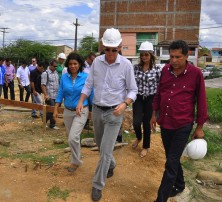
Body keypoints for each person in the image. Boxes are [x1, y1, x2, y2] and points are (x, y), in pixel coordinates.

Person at [76, 28, 138, 201]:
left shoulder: (126, 65)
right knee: (101, 146)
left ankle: (97, 185)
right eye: (107, 49)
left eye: (114, 49)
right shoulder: (96, 62)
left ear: (120, 47)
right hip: (97, 110)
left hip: (114, 114)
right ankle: (111, 164)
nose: (110, 53)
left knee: (104, 151)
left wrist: (124, 103)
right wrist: (81, 101)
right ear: (102, 46)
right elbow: (89, 84)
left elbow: (133, 90)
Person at [150, 40, 208, 202]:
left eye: (178, 57)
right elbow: (159, 93)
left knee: (171, 162)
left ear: (186, 55)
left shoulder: (195, 74)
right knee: (171, 157)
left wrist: (200, 127)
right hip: (166, 122)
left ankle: (161, 199)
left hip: (183, 124)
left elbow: (202, 101)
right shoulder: (165, 71)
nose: (173, 61)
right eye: (172, 57)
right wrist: (154, 114)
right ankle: (180, 184)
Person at [53, 52, 90, 172]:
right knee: (72, 137)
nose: (72, 66)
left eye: (75, 63)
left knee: (72, 138)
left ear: (79, 64)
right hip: (67, 111)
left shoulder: (86, 77)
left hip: (81, 110)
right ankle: (76, 159)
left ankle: (75, 161)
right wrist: (55, 108)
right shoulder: (64, 77)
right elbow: (60, 93)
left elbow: (91, 93)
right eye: (70, 64)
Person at [132, 41, 161, 158]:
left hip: (151, 98)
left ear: (151, 55)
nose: (144, 57)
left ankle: (145, 146)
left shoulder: (157, 70)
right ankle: (139, 137)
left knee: (147, 124)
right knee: (136, 122)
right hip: (138, 98)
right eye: (142, 54)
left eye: (146, 54)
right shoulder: (135, 68)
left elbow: (160, 86)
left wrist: (157, 103)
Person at [41, 59, 59, 129]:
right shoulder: (45, 73)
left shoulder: (56, 73)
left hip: (56, 95)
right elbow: (43, 85)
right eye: (54, 66)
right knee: (51, 110)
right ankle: (44, 120)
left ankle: (52, 124)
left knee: (55, 110)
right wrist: (46, 95)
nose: (55, 68)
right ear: (50, 65)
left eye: (56, 66)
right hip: (50, 96)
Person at [83, 52, 96, 130]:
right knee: (84, 105)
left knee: (91, 105)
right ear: (88, 58)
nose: (93, 62)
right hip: (83, 89)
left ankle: (87, 123)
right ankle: (83, 123)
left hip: (92, 89)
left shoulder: (93, 66)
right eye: (92, 60)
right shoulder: (82, 66)